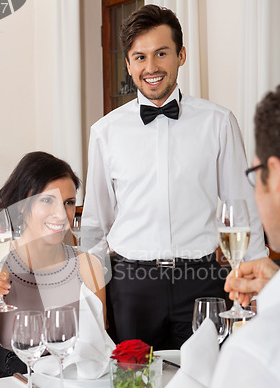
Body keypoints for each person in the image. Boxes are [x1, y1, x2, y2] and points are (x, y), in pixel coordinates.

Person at [103, 85, 280, 388]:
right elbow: (98, 219)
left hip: (202, 275)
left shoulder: (257, 357)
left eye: (255, 176)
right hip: (134, 279)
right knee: (136, 386)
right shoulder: (107, 130)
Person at [82, 4, 266, 350]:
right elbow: (94, 227)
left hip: (203, 281)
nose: (150, 68)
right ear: (128, 64)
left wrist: (253, 285)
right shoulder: (105, 133)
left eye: (161, 53)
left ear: (181, 56)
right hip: (131, 284)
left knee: (206, 386)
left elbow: (243, 212)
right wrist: (95, 303)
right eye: (139, 57)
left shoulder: (219, 122)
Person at [0, 152, 106, 382]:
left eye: (69, 202)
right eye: (47, 200)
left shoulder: (88, 266)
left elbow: (98, 354)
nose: (61, 214)